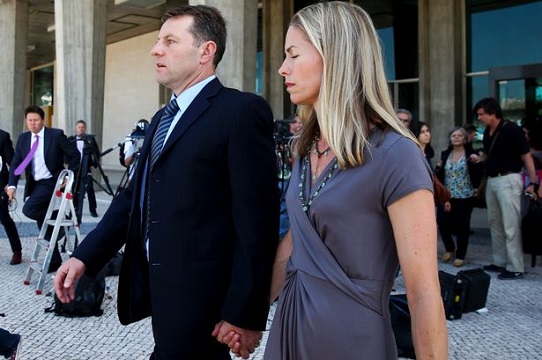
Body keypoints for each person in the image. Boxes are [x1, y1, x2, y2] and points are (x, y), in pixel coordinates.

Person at [54, 5, 278, 359]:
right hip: (159, 289)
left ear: (206, 51)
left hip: (205, 299)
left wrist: (244, 313)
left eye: (170, 41)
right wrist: (85, 256)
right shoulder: (163, 117)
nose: (155, 49)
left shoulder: (240, 112)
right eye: (158, 41)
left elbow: (258, 224)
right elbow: (134, 198)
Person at [228, 2, 447, 359]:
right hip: (289, 332)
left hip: (353, 341)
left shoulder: (396, 155)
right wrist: (249, 315)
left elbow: (423, 292)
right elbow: (294, 244)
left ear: (336, 56)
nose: (283, 69)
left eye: (294, 55)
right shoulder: (306, 148)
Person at [7, 105, 80, 273]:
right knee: (43, 222)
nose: (33, 124)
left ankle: (61, 223)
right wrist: (12, 185)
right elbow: (18, 164)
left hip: (52, 181)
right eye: (30, 120)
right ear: (26, 121)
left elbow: (75, 155)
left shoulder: (55, 135)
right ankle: (54, 261)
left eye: (36, 120)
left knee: (29, 209)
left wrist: (68, 176)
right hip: (35, 184)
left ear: (43, 120)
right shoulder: (24, 139)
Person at [471, 97, 537, 280]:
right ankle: (499, 261)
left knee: (510, 224)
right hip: (493, 180)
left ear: (493, 112)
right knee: (495, 222)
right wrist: (481, 159)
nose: (479, 117)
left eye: (481, 114)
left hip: (509, 179)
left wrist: (533, 182)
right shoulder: (487, 132)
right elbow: (493, 155)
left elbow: (526, 156)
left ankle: (515, 266)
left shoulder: (511, 130)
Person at [435, 127, 483, 267]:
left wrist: (478, 163)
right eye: (453, 135)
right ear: (450, 138)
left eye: (459, 135)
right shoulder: (445, 154)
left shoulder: (471, 154)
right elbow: (439, 174)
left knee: (463, 225)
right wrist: (438, 167)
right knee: (442, 222)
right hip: (447, 195)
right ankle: (450, 249)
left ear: (465, 138)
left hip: (465, 195)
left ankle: (460, 255)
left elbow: (479, 172)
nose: (456, 137)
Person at [68, 120, 99, 218]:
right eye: (79, 127)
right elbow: (66, 152)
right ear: (76, 128)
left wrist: (94, 164)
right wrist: (66, 163)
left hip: (87, 166)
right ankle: (74, 209)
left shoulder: (90, 139)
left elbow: (96, 152)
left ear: (85, 128)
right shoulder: (71, 140)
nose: (81, 129)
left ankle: (93, 210)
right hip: (75, 167)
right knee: (74, 189)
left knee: (89, 189)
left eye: (82, 127)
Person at [0, 129, 22, 265]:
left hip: (1, 186)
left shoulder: (3, 136)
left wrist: (11, 184)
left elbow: (14, 163)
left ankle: (17, 251)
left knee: (4, 218)